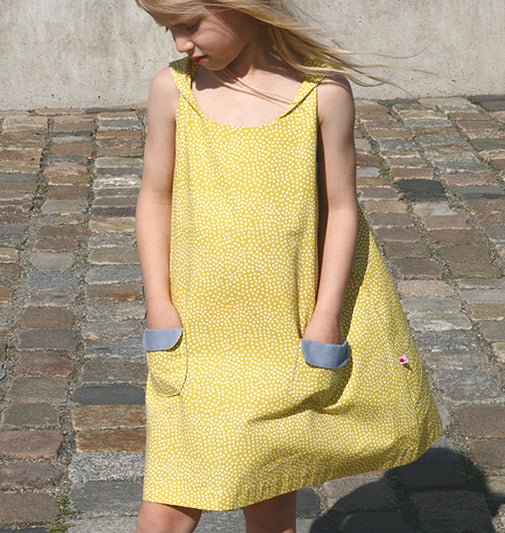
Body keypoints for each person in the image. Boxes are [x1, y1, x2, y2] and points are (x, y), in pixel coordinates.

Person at [134, 1, 442, 532]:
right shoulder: (174, 89)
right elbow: (154, 196)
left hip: (282, 323)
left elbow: (341, 210)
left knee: (269, 488)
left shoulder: (323, 93)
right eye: (170, 31)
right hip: (199, 327)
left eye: (189, 26)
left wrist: (325, 316)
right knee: (172, 494)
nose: (181, 44)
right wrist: (159, 302)